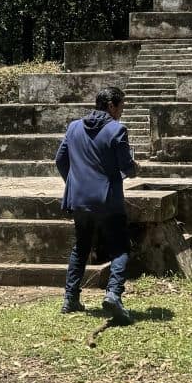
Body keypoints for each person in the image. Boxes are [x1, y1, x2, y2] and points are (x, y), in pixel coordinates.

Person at [55, 85, 136, 324]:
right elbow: (126, 166)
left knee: (81, 247)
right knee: (120, 248)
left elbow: (60, 160)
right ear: (111, 106)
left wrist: (74, 182)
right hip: (108, 200)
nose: (122, 111)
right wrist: (135, 168)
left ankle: (70, 298)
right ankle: (113, 294)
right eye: (121, 106)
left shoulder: (74, 127)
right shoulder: (116, 130)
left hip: (79, 200)